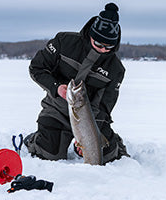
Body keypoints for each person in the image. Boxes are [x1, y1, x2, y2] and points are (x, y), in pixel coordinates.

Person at [24, 2, 129, 164]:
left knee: (107, 156)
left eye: (108, 47)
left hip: (91, 118)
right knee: (50, 154)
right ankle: (34, 140)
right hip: (56, 109)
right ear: (90, 35)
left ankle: (115, 144)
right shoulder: (64, 42)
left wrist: (89, 137)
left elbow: (104, 107)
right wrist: (56, 88)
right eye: (99, 44)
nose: (102, 49)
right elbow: (37, 68)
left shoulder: (116, 69)